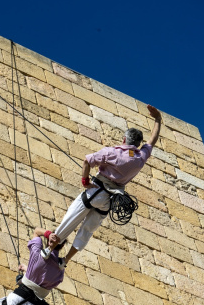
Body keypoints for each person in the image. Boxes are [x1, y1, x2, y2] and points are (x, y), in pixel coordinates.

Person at [41, 105, 162, 268]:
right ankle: (65, 260)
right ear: (138, 143)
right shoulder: (140, 157)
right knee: (87, 231)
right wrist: (158, 120)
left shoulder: (113, 152)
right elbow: (152, 140)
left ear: (124, 139)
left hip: (95, 191)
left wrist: (85, 181)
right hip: (109, 201)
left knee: (70, 219)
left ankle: (49, 249)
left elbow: (87, 161)